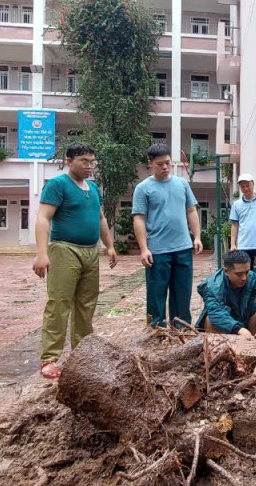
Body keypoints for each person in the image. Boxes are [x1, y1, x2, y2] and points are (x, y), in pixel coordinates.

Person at [33, 143, 118, 379]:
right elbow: (43, 218)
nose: (90, 166)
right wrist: (41, 253)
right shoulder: (57, 185)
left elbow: (100, 218)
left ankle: (82, 353)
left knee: (87, 304)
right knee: (59, 303)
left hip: (90, 251)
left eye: (92, 161)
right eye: (84, 161)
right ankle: (49, 358)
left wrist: (109, 245)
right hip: (64, 249)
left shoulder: (93, 187)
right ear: (69, 160)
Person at [132, 143, 203, 328]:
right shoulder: (143, 188)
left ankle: (182, 329)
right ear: (150, 163)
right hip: (158, 250)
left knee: (182, 292)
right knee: (156, 294)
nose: (164, 167)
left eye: (167, 163)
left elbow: (191, 210)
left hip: (183, 248)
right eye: (159, 164)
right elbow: (139, 219)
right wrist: (144, 248)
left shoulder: (182, 184)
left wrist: (196, 236)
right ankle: (156, 330)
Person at [197, 249, 256, 337]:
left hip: (244, 316)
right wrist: (239, 329)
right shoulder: (213, 286)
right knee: (210, 320)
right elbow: (216, 312)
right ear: (226, 271)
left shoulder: (253, 277)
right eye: (239, 274)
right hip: (227, 323)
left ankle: (255, 344)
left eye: (247, 272)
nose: (244, 278)